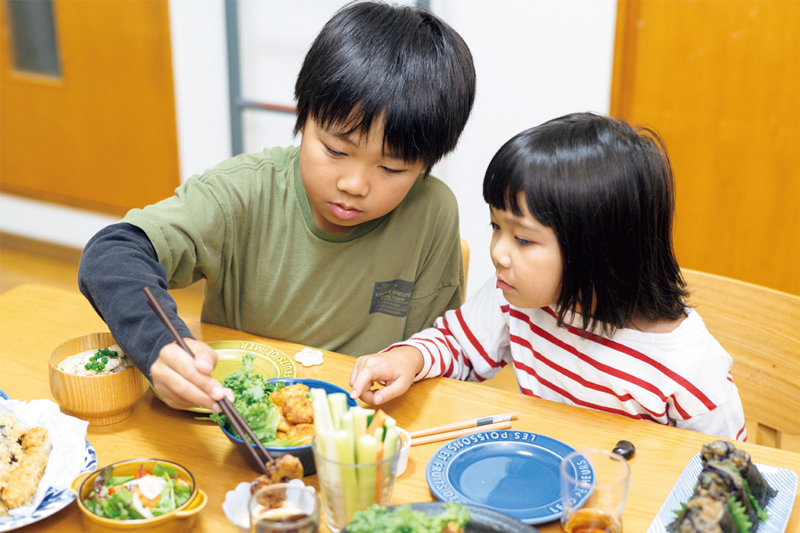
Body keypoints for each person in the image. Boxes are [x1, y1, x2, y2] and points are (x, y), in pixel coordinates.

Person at [78, 1, 476, 412]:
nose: (354, 185)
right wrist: (159, 347)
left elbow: (441, 357)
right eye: (336, 150)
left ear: (427, 163)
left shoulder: (432, 213)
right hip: (235, 424)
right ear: (303, 119)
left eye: (392, 167)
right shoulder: (244, 192)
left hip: (364, 431)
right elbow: (110, 255)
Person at [349, 112, 747, 441]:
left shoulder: (686, 368)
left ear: (598, 251)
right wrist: (409, 357)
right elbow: (459, 346)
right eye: (495, 228)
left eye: (523, 239)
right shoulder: (519, 299)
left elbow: (731, 478)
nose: (498, 253)